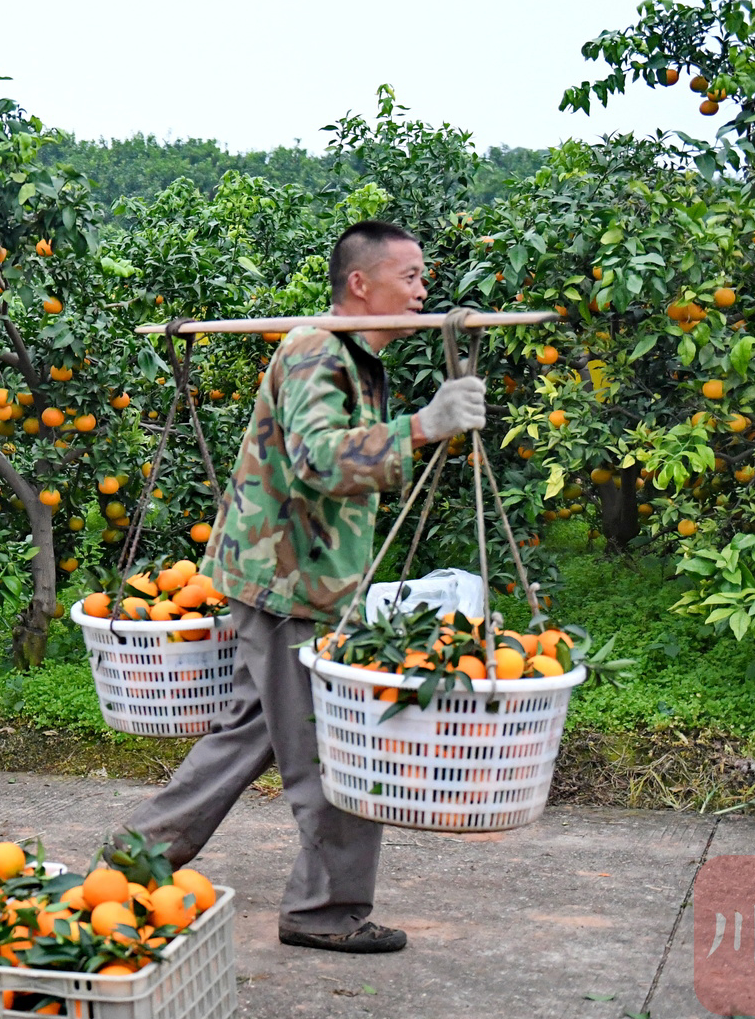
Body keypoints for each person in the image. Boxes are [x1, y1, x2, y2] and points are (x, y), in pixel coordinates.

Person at [122, 221, 487, 954]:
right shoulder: (318, 349)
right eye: (410, 277)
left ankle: (134, 860)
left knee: (248, 735)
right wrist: (423, 425)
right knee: (336, 749)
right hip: (289, 585)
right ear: (362, 283)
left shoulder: (350, 356)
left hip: (295, 576)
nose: (424, 291)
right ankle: (324, 911)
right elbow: (320, 459)